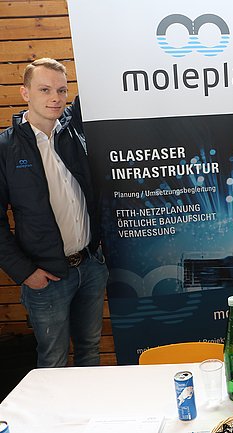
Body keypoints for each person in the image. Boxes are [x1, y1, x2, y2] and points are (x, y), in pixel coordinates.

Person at [0, 58, 108, 367]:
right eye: (44, 90)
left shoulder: (74, 131)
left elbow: (96, 80)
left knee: (90, 350)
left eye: (61, 90)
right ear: (25, 93)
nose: (55, 98)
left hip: (90, 266)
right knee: (53, 360)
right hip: (46, 277)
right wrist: (25, 273)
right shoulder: (6, 148)